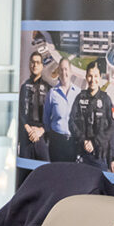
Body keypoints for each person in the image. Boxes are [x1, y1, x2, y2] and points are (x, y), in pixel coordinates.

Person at [69, 60, 114, 170]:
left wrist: (94, 142)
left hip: (99, 156)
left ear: (100, 77)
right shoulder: (80, 98)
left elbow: (112, 126)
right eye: (90, 76)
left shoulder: (106, 100)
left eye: (95, 76)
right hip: (82, 154)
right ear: (86, 76)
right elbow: (71, 122)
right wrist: (83, 140)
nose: (92, 80)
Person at [16, 51, 52, 188]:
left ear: (42, 66)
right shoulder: (24, 87)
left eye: (38, 62)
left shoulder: (49, 88)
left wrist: (40, 131)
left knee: (46, 172)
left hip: (41, 136)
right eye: (32, 62)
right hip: (27, 135)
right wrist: (28, 129)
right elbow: (20, 111)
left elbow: (51, 116)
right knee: (24, 176)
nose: (35, 65)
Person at [42, 57, 79, 162]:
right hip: (56, 142)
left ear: (71, 71)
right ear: (58, 72)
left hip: (73, 142)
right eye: (61, 69)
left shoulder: (78, 93)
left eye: (66, 69)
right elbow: (46, 118)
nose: (64, 72)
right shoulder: (52, 93)